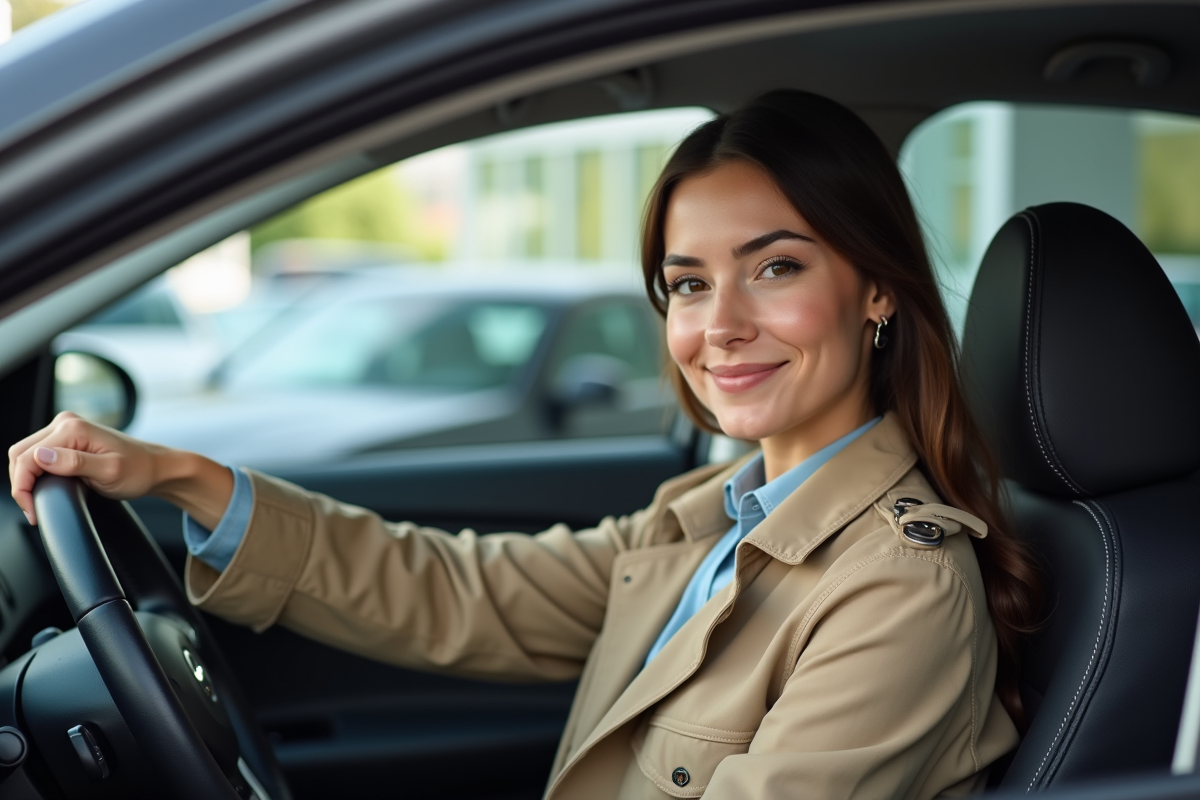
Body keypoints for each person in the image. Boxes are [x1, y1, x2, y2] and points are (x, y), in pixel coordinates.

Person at [8, 90, 1039, 799]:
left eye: (773, 268)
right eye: (687, 282)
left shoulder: (898, 585)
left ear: (875, 292)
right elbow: (460, 589)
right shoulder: (714, 517)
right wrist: (180, 475)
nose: (717, 323)